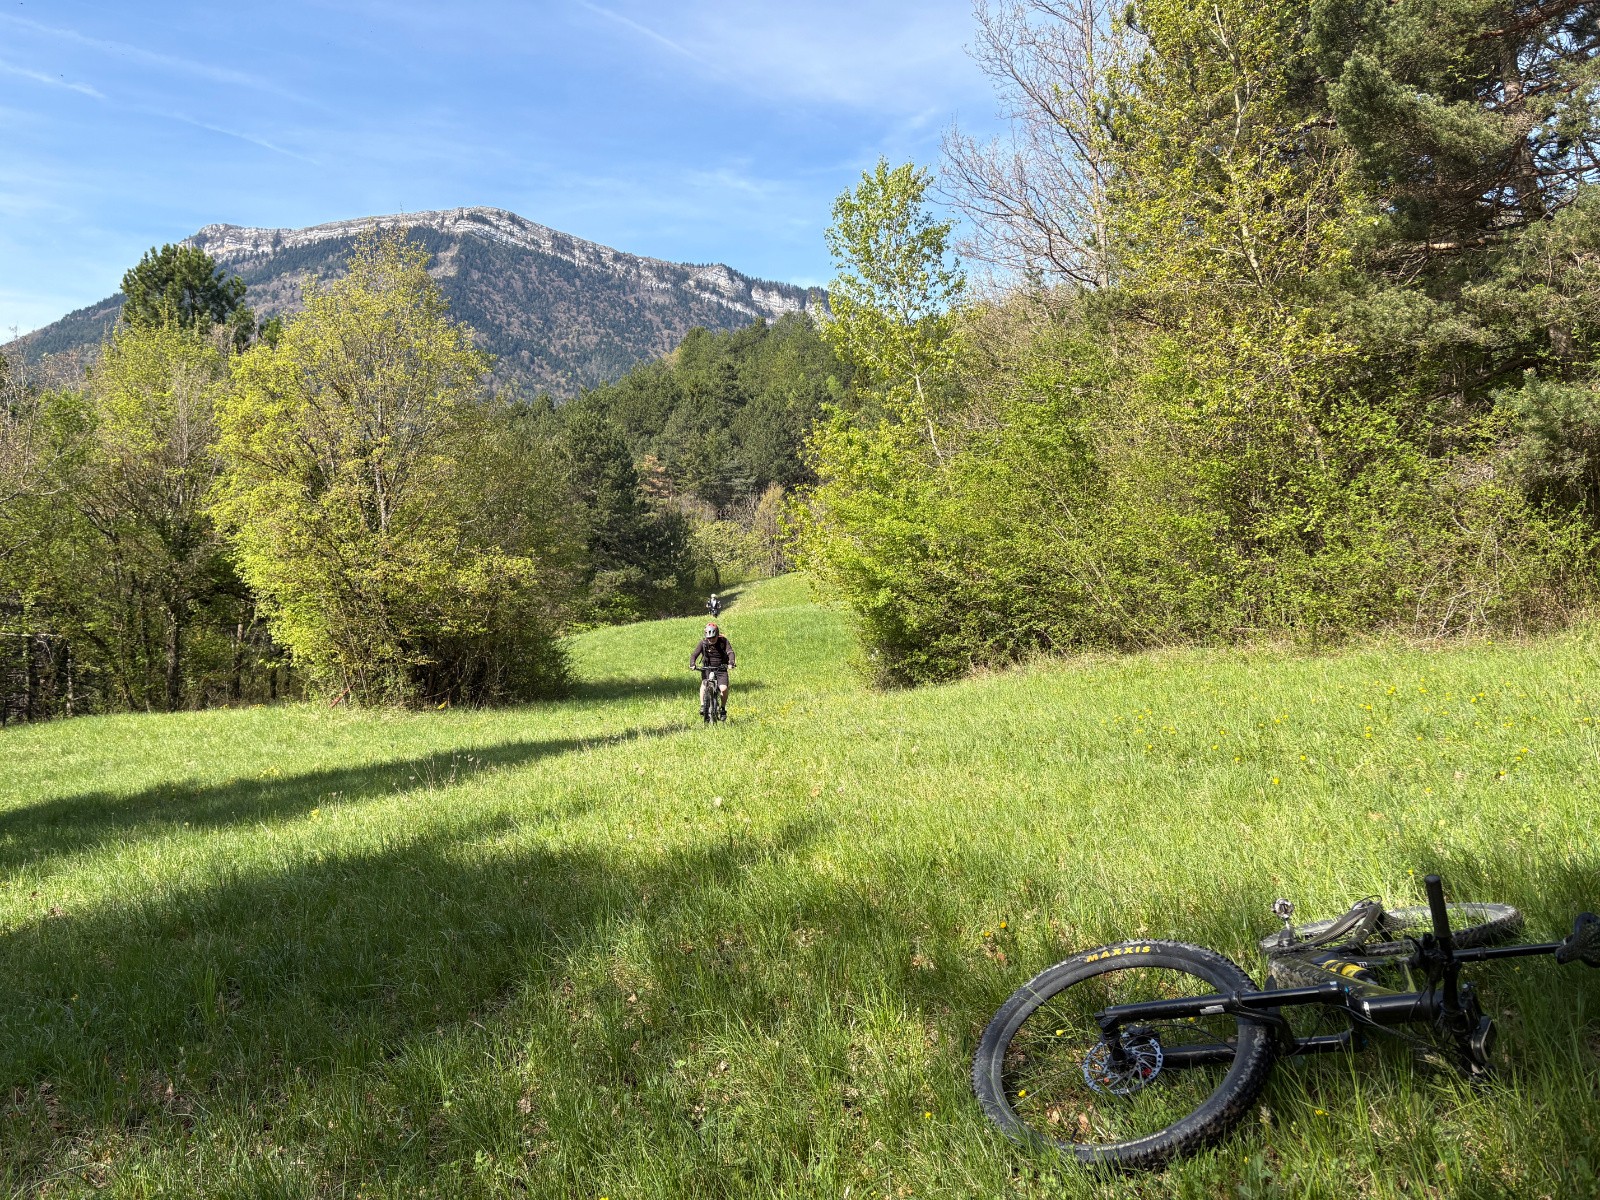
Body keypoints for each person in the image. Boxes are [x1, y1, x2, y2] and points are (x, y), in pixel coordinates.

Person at [690, 622, 735, 720]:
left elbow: (730, 652)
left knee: (723, 689)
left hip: (721, 668)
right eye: (709, 638)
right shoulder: (703, 643)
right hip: (707, 668)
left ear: (717, 635)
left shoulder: (723, 641)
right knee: (704, 684)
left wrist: (731, 663)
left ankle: (723, 709)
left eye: (713, 638)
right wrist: (692, 664)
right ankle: (703, 706)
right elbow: (694, 655)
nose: (711, 640)